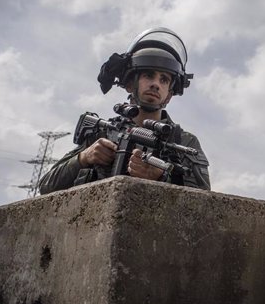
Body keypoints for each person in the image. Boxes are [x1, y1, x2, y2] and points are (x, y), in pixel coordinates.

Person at [39, 27, 210, 194]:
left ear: (169, 95)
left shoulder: (184, 142)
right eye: (148, 75)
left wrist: (161, 178)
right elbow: (46, 186)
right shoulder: (104, 132)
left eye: (164, 79)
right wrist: (84, 157)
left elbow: (205, 201)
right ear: (129, 85)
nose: (156, 84)